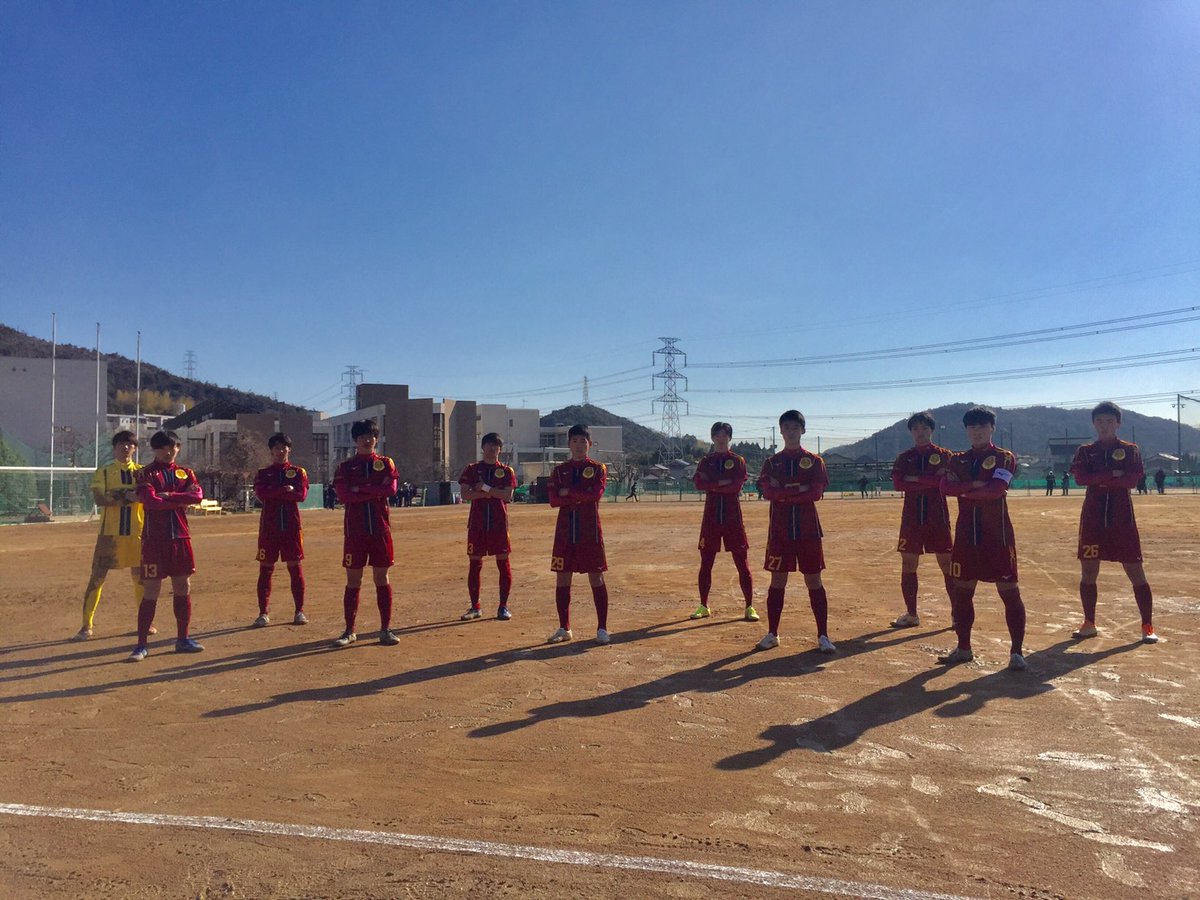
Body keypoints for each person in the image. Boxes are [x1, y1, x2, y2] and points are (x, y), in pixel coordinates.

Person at [938, 406, 1027, 671]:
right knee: (962, 592)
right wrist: (976, 486)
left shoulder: (1004, 457)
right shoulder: (957, 459)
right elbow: (944, 488)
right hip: (966, 535)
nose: (976, 431)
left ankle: (1016, 652)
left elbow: (996, 490)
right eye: (972, 427)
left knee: (1009, 592)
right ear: (966, 430)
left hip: (997, 535)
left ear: (992, 428)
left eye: (982, 426)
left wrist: (963, 489)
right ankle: (963, 647)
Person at [1068, 402, 1158, 643]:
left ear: (1118, 423)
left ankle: (1147, 625)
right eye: (1100, 421)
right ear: (1094, 424)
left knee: (1135, 570)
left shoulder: (1130, 450)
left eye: (1109, 421)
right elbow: (1081, 479)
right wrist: (1112, 475)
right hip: (1092, 520)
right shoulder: (1085, 451)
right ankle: (1089, 622)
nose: (1104, 426)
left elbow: (1130, 481)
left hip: (1122, 519)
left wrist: (1100, 479)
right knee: (1088, 571)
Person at [754, 410, 836, 654]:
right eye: (786, 427)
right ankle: (772, 633)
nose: (790, 431)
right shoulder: (772, 463)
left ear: (803, 430)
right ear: (780, 431)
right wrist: (799, 489)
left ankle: (823, 635)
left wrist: (785, 492)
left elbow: (816, 493)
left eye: (795, 427)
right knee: (777, 580)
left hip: (809, 531)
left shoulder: (814, 461)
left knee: (814, 580)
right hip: (779, 532)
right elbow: (767, 491)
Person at [129, 431, 204, 660]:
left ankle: (182, 639)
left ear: (178, 448)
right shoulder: (145, 474)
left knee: (182, 586)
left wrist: (169, 495)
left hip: (180, 539)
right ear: (155, 449)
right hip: (154, 540)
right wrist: (180, 498)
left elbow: (198, 497)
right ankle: (141, 644)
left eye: (173, 447)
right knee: (151, 589)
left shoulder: (186, 473)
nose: (168, 451)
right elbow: (151, 502)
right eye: (163, 448)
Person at [73, 431, 151, 640]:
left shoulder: (143, 472)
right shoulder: (105, 472)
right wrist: (128, 496)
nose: (125, 448)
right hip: (110, 534)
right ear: (114, 447)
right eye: (121, 444)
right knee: (97, 578)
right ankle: (86, 626)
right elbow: (100, 499)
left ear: (135, 448)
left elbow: (147, 496)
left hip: (137, 532)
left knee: (140, 579)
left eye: (130, 444)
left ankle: (145, 623)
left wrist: (117, 495)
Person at [332, 419, 399, 647]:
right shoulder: (345, 467)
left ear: (376, 439)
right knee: (354, 581)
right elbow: (344, 496)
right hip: (355, 532)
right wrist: (374, 491)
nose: (366, 440)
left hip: (380, 530)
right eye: (361, 436)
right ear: (355, 440)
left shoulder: (386, 463)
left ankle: (385, 629)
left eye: (370, 436)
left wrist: (360, 488)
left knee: (382, 578)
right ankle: (349, 630)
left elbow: (390, 489)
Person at [546, 424, 610, 645]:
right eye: (575, 441)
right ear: (569, 445)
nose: (579, 445)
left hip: (590, 531)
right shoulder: (559, 470)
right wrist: (579, 495)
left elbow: (595, 495)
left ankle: (602, 627)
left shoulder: (598, 468)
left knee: (596, 576)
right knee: (563, 577)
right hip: (564, 532)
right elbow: (554, 500)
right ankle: (564, 627)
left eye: (583, 441)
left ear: (589, 444)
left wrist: (569, 493)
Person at [888, 412, 954, 628]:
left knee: (947, 563)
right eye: (916, 429)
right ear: (911, 432)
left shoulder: (945, 456)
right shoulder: (904, 457)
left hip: (938, 517)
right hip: (912, 518)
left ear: (931, 430)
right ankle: (911, 613)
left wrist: (914, 479)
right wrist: (931, 480)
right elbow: (899, 484)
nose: (920, 432)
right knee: (908, 563)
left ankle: (957, 614)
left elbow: (944, 484)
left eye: (924, 428)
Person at [689, 422, 757, 622]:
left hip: (732, 518)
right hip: (710, 518)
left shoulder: (737, 461)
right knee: (706, 563)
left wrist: (714, 485)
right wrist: (723, 483)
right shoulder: (706, 461)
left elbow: (735, 487)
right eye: (717, 435)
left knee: (742, 563)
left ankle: (749, 606)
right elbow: (699, 483)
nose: (721, 438)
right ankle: (703, 605)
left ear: (729, 438)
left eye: (724, 435)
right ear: (712, 438)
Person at [251, 432, 309, 628]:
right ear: (271, 451)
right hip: (269, 528)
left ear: (289, 449)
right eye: (276, 448)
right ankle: (263, 613)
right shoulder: (263, 473)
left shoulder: (299, 472)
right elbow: (262, 495)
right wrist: (285, 490)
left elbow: (301, 495)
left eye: (283, 447)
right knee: (266, 569)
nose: (280, 451)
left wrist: (276, 493)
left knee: (295, 568)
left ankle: (299, 611)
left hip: (292, 527)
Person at [458, 432, 517, 621]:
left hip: (499, 524)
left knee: (503, 563)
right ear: (482, 448)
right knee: (474, 564)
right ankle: (475, 606)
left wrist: (483, 488)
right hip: (477, 523)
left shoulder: (507, 471)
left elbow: (507, 496)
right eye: (489, 445)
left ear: (500, 449)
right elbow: (465, 495)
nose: (492, 449)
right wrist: (492, 493)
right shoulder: (472, 469)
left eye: (496, 446)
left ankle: (503, 606)